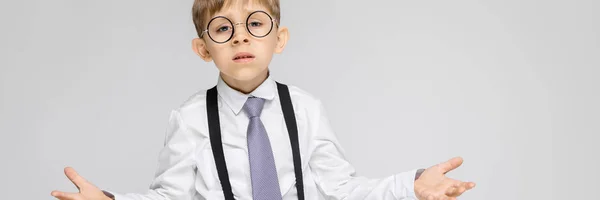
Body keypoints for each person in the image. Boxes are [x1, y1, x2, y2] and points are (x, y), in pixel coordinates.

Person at [51, 0, 476, 199]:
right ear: (203, 49)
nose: (239, 36)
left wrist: (411, 185)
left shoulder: (306, 109)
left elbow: (341, 188)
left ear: (279, 38)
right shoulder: (190, 117)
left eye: (255, 24)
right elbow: (170, 198)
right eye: (222, 29)